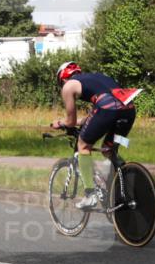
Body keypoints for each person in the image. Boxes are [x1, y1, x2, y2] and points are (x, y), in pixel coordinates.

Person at [51, 62, 141, 209]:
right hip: (129, 110)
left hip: (107, 109)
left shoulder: (68, 86)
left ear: (63, 78)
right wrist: (81, 122)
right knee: (108, 149)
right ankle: (121, 177)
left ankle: (90, 195)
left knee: (83, 145)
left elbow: (71, 121)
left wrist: (60, 123)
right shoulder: (97, 78)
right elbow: (96, 115)